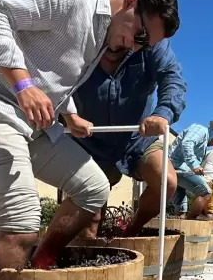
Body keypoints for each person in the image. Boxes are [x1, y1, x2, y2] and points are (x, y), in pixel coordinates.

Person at [0, 0, 180, 270]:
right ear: (131, 2)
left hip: (34, 125)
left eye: (144, 47)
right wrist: (23, 86)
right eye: (141, 37)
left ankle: (41, 262)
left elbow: (54, 75)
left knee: (95, 188)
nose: (136, 49)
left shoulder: (101, 36)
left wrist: (69, 114)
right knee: (20, 224)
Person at [70, 27, 185, 238]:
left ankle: (130, 231)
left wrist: (163, 112)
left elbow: (172, 77)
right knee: (89, 226)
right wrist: (66, 115)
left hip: (138, 139)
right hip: (89, 142)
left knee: (166, 181)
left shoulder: (152, 41)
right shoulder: (83, 34)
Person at [168, 121, 213, 217]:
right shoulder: (201, 130)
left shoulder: (204, 139)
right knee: (205, 191)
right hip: (177, 166)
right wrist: (195, 166)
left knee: (181, 203)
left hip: (177, 167)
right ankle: (190, 223)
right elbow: (187, 143)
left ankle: (181, 226)